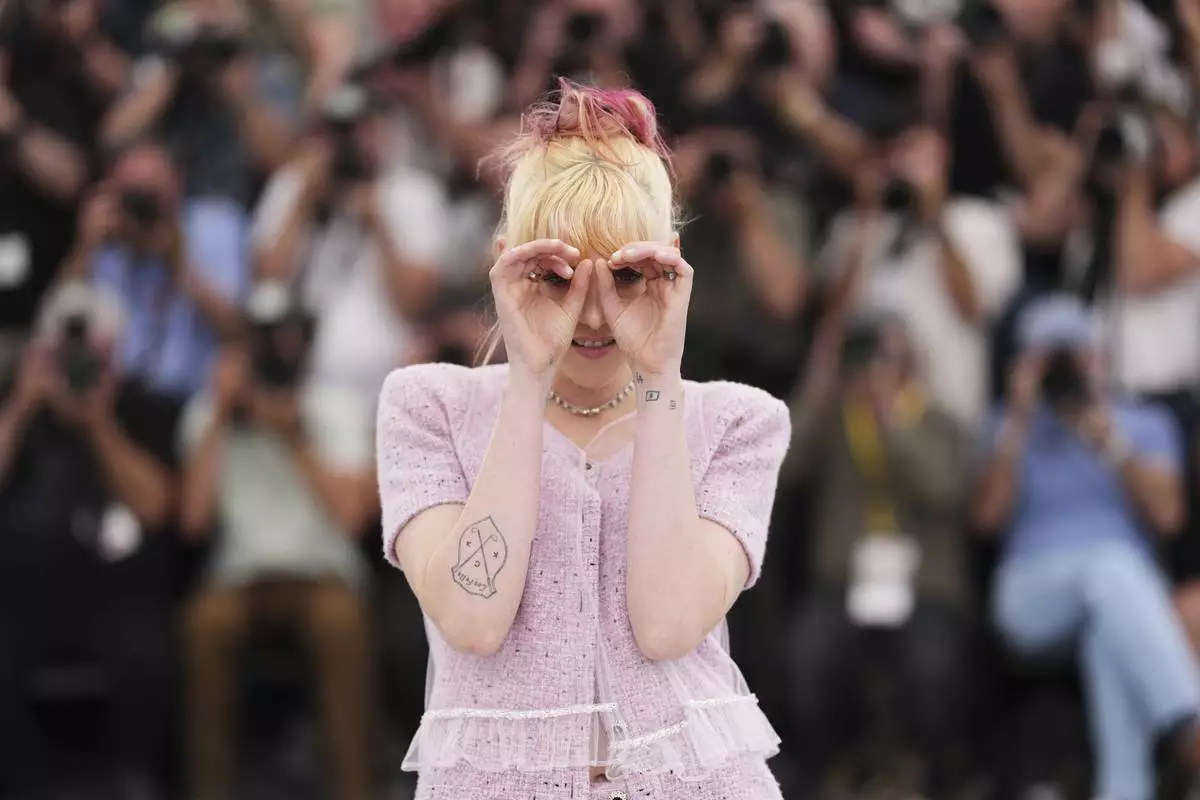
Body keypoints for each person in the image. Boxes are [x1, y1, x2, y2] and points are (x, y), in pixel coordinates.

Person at [375, 80, 791, 800]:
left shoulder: (738, 423)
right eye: (558, 274)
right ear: (507, 262)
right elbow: (474, 617)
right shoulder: (427, 407)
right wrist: (526, 376)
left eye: (628, 275)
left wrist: (661, 375)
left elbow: (667, 625)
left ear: (673, 264)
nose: (594, 311)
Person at [973, 294, 1200, 800]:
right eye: (1047, 358)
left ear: (1097, 356)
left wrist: (1108, 439)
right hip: (1030, 591)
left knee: (1110, 627)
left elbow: (1170, 516)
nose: (1062, 370)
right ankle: (1190, 725)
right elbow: (986, 521)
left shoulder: (1141, 421)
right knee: (1113, 567)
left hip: (1124, 599)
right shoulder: (1006, 427)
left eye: (1072, 355)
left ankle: (1125, 790)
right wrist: (1017, 421)